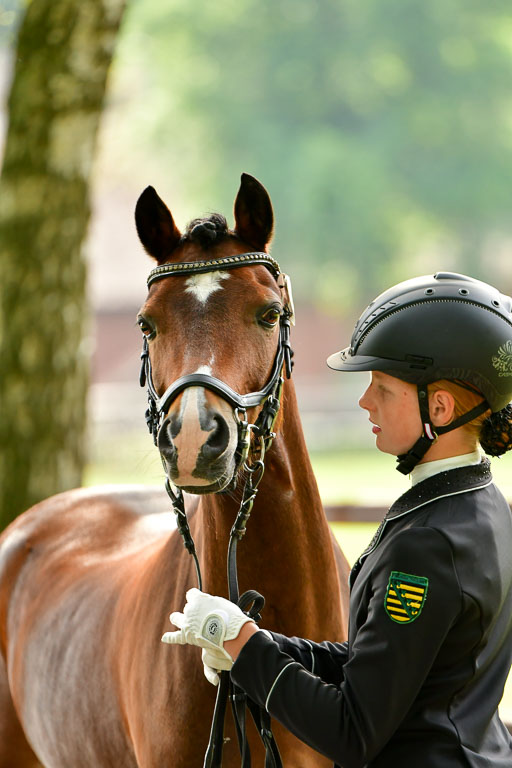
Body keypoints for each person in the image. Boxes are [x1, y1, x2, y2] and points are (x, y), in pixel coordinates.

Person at [162, 272, 512, 767]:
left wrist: (239, 644)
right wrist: (252, 642)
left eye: (383, 388)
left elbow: (352, 731)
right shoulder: (481, 504)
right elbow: (377, 665)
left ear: (439, 406)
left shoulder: (428, 544)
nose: (366, 401)